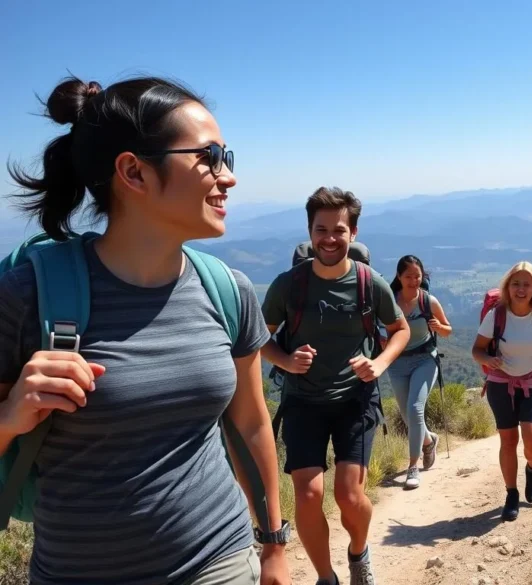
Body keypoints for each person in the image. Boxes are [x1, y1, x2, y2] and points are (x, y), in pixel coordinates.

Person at [0, 76, 290, 584]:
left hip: (219, 563)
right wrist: (10, 416)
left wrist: (273, 546)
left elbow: (251, 423)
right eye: (209, 156)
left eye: (228, 157)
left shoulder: (228, 290)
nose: (229, 177)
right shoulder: (28, 297)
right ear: (133, 171)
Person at [260, 188, 410, 585]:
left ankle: (358, 551)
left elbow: (400, 329)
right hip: (302, 401)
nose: (329, 238)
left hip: (354, 401)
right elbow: (260, 336)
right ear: (310, 232)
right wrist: (286, 360)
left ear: (353, 232)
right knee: (308, 496)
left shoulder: (368, 282)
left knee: (348, 495)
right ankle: (326, 577)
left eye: (338, 230)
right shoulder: (288, 286)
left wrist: (378, 364)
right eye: (320, 229)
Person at [472, 261, 532, 522]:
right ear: (507, 287)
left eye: (526, 284)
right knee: (508, 440)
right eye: (516, 284)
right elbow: (477, 349)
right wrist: (487, 361)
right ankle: (511, 494)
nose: (521, 289)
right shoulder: (497, 315)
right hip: (500, 383)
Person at [386, 255, 453, 489]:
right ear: (399, 277)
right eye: (408, 277)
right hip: (396, 363)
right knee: (407, 415)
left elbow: (447, 331)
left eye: (418, 276)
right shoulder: (390, 302)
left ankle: (412, 467)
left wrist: (438, 326)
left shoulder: (428, 301)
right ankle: (429, 440)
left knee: (415, 410)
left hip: (425, 360)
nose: (414, 281)